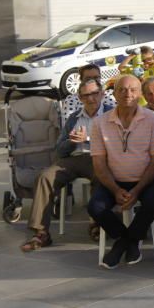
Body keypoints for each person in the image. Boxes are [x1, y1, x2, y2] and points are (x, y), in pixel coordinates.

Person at [21, 79, 110, 252]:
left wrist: (89, 140)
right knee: (45, 177)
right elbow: (59, 150)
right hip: (74, 158)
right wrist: (71, 141)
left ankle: (97, 224)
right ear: (80, 98)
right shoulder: (74, 117)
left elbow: (116, 144)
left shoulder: (111, 115)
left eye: (94, 94)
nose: (91, 98)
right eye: (86, 95)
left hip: (99, 158)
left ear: (102, 94)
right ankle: (41, 233)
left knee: (101, 176)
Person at [88, 75, 154, 269]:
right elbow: (99, 163)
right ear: (114, 94)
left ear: (140, 94)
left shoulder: (152, 119)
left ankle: (121, 245)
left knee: (153, 199)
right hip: (114, 181)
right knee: (95, 207)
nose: (127, 94)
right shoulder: (99, 123)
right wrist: (115, 190)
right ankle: (128, 240)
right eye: (122, 90)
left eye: (133, 90)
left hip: (146, 179)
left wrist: (137, 190)